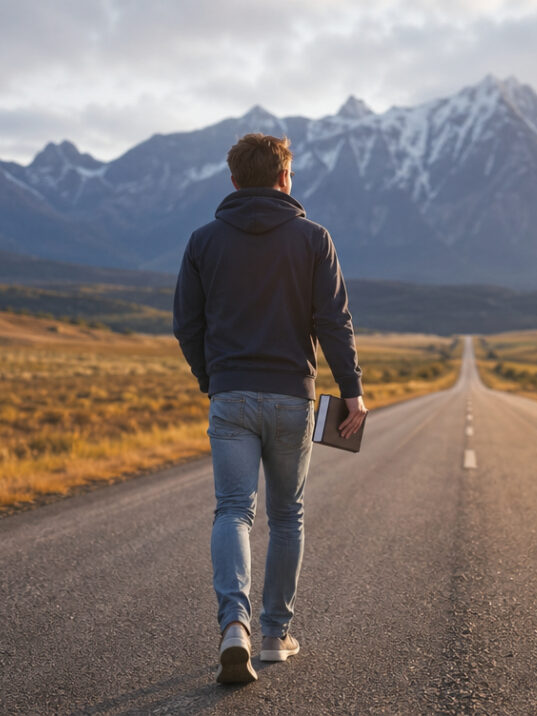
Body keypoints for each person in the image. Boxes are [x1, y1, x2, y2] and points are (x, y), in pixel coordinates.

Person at [172, 133, 367, 684]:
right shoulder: (314, 239)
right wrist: (351, 391)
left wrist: (215, 379)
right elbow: (334, 322)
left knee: (233, 511)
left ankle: (233, 624)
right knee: (287, 515)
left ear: (234, 180)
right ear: (285, 178)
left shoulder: (202, 241)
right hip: (291, 397)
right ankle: (275, 636)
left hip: (231, 395)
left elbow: (186, 324)